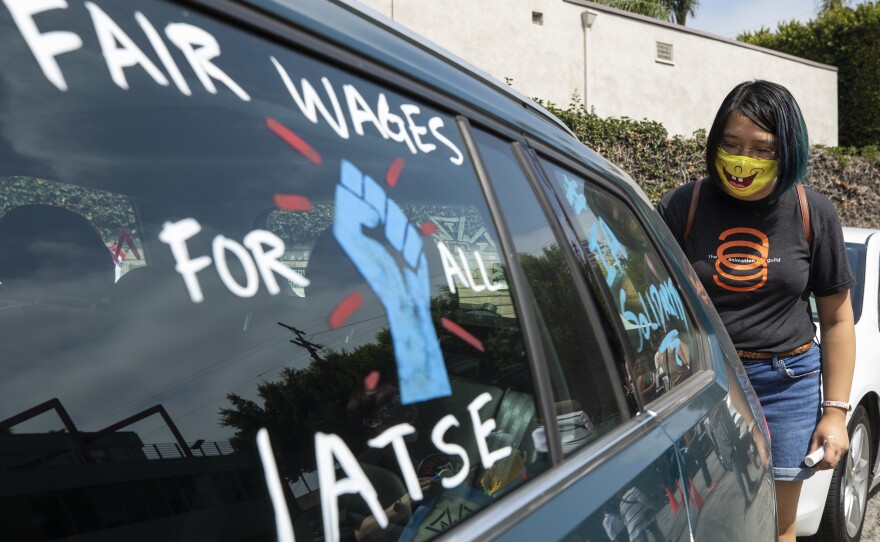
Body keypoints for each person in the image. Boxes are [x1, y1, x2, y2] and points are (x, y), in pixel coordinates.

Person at [657, 80, 856, 541]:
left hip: (787, 383)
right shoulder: (682, 206)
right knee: (697, 519)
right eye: (730, 144)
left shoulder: (814, 212)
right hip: (702, 380)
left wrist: (835, 413)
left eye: (762, 149)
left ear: (789, 151)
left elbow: (838, 319)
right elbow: (650, 303)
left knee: (775, 526)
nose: (743, 159)